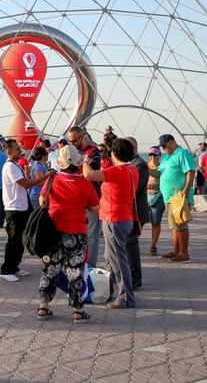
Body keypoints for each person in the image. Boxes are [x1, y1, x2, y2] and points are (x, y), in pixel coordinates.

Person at [36, 145, 99, 323]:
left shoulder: (52, 180)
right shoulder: (85, 184)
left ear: (60, 164)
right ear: (78, 164)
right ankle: (78, 311)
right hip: (77, 232)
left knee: (50, 269)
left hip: (53, 232)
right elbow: (95, 208)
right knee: (76, 271)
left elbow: (42, 200)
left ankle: (43, 307)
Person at [84, 138, 139, 309]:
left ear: (114, 153)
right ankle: (110, 290)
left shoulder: (118, 170)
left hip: (115, 218)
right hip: (122, 218)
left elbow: (89, 175)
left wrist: (86, 162)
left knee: (118, 260)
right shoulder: (132, 170)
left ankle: (125, 297)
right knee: (110, 257)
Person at [0, 139, 48, 282]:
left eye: (19, 148)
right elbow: (26, 184)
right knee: (14, 240)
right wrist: (46, 176)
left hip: (22, 206)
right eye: (16, 149)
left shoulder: (16, 165)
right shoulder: (10, 166)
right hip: (14, 208)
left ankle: (14, 266)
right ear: (9, 152)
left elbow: (23, 182)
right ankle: (6, 269)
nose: (20, 151)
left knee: (22, 238)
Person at [66, 126, 103, 267]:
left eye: (75, 140)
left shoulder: (93, 151)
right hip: (75, 199)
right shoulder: (71, 151)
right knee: (74, 233)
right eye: (70, 141)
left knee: (92, 236)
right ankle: (77, 263)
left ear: (83, 137)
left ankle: (90, 267)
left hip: (91, 199)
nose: (73, 143)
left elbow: (92, 175)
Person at [158, 134, 195, 262]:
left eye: (164, 146)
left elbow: (190, 171)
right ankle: (176, 250)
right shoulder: (167, 157)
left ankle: (184, 253)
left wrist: (185, 190)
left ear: (171, 143)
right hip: (168, 197)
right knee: (173, 226)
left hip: (178, 196)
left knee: (181, 225)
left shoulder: (182, 154)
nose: (163, 149)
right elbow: (160, 172)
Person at [126, 137, 149, 289]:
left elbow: (134, 188)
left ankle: (135, 279)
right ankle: (128, 276)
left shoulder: (139, 165)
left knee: (131, 243)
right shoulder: (129, 164)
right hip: (127, 210)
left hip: (135, 210)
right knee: (127, 244)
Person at [146, 146, 165, 256]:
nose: (152, 156)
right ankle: (132, 241)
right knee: (139, 220)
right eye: (150, 154)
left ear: (160, 155)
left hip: (158, 196)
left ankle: (153, 245)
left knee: (155, 222)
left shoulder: (163, 167)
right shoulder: (145, 165)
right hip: (145, 196)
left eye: (155, 154)